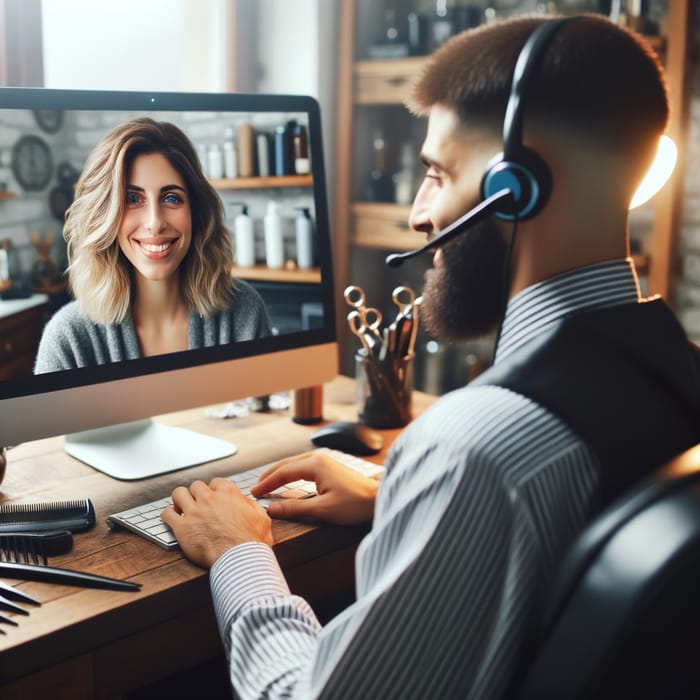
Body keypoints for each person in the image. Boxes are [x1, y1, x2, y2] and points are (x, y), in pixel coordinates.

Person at [162, 14, 700, 699]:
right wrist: (404, 496)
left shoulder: (472, 453)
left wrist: (238, 552)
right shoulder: (679, 369)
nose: (418, 214)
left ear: (518, 185)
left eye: (438, 174)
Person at [34, 118, 270, 373]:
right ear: (105, 215)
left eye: (171, 198)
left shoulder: (244, 312)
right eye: (133, 198)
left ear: (196, 213)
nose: (155, 223)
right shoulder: (67, 338)